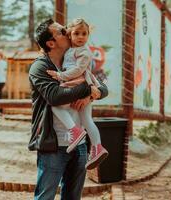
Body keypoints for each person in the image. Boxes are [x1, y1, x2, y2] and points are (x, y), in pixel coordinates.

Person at [28, 19, 108, 200]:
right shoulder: (40, 67)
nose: (68, 31)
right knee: (45, 197)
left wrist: (92, 94)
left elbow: (103, 87)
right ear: (51, 43)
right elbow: (55, 96)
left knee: (73, 197)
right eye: (62, 31)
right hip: (53, 146)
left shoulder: (74, 58)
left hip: (78, 145)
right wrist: (88, 89)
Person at [46, 18, 108, 170]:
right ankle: (97, 147)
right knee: (87, 120)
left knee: (55, 106)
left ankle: (74, 130)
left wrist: (61, 76)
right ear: (69, 34)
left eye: (84, 34)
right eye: (76, 33)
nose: (81, 37)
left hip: (77, 83)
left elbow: (80, 70)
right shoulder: (70, 51)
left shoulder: (84, 51)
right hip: (80, 84)